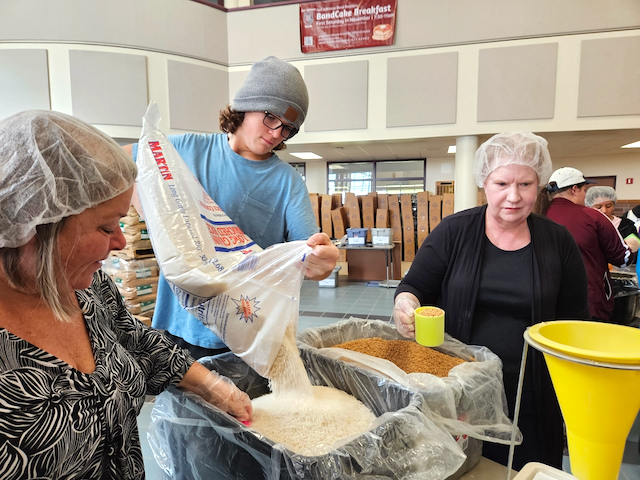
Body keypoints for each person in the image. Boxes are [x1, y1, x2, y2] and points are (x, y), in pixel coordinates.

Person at [0, 110, 252, 480]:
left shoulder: (90, 290)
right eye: (105, 226)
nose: (120, 241)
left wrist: (210, 385)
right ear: (35, 223)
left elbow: (134, 338)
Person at [393, 132, 590, 470]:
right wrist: (405, 305)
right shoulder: (455, 232)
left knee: (525, 469)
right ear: (484, 183)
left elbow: (575, 321)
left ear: (539, 184)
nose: (513, 196)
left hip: (532, 392)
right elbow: (413, 286)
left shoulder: (557, 242)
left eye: (525, 184)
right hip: (460, 390)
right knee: (460, 468)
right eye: (501, 184)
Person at [125, 56, 338, 360]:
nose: (277, 132)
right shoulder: (187, 151)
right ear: (246, 104)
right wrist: (152, 215)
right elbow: (117, 163)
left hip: (246, 332)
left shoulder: (287, 182)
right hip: (179, 327)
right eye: (270, 117)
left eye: (288, 128)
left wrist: (321, 262)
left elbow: (307, 253)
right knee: (179, 408)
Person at [538, 167, 631, 321]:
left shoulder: (537, 216)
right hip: (588, 303)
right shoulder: (592, 216)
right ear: (575, 189)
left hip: (545, 304)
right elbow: (623, 258)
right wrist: (632, 245)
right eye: (584, 190)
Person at [585, 186, 640, 258]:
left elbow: (633, 251)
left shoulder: (626, 225)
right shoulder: (586, 225)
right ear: (589, 207)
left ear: (614, 205)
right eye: (598, 207)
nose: (604, 210)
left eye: (608, 206)